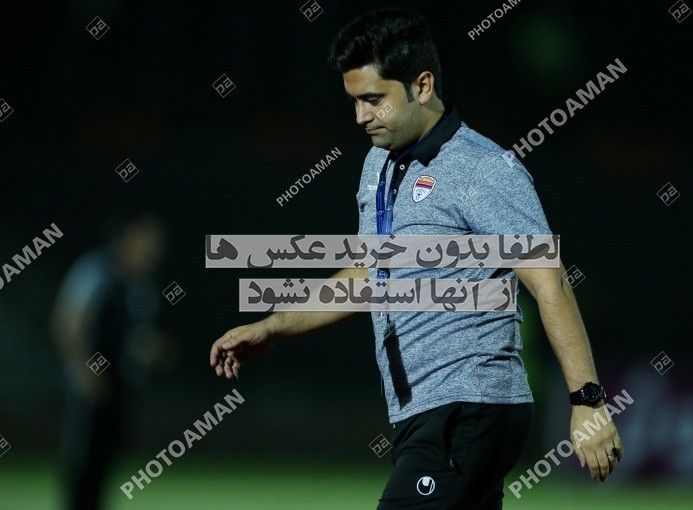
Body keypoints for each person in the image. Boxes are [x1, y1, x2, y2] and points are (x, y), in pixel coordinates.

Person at [209, 7, 623, 509]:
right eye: (354, 101)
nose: (361, 116)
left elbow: (548, 281)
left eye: (373, 100)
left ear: (422, 86)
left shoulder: (482, 168)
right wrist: (275, 326)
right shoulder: (378, 164)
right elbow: (371, 274)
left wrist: (587, 402)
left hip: (468, 406)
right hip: (424, 412)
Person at [52, 210, 167, 510]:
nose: (155, 247)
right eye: (148, 238)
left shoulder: (140, 285)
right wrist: (86, 372)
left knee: (106, 460)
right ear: (128, 237)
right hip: (90, 388)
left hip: (119, 387)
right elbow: (68, 322)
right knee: (82, 461)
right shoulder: (95, 269)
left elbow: (134, 337)